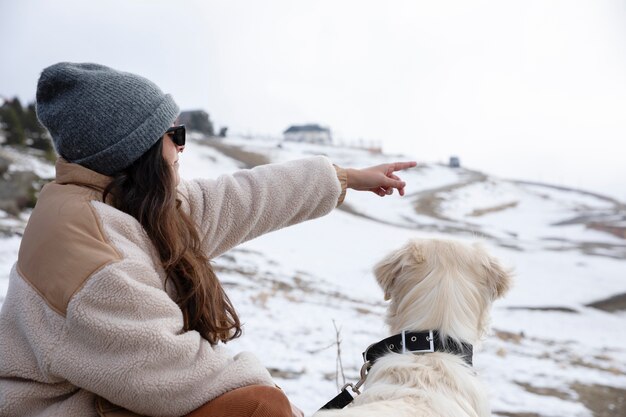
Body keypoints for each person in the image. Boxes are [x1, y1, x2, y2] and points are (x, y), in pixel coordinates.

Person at [0, 62, 416, 417]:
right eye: (174, 135)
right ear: (135, 151)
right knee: (258, 406)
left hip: (103, 398)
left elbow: (244, 198)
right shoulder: (93, 252)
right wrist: (282, 406)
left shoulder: (123, 203)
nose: (182, 147)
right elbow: (169, 371)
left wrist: (344, 178)